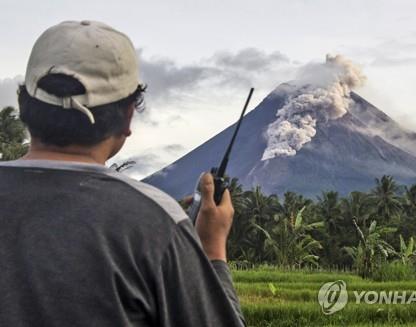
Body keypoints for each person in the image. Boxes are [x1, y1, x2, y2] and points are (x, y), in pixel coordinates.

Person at [0, 20, 245, 327]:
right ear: (128, 116)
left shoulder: (156, 222)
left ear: (23, 103)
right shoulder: (155, 225)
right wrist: (212, 249)